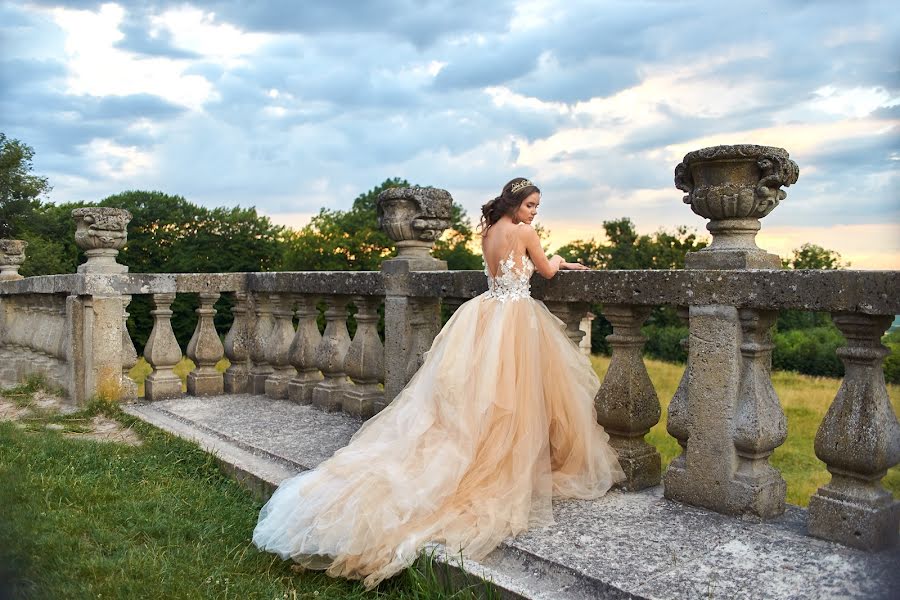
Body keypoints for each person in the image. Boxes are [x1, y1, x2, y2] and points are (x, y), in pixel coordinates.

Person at [253, 177, 624, 588]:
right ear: (515, 203)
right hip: (516, 320)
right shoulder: (523, 232)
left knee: (479, 398)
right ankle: (505, 461)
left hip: (484, 316)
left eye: (537, 206)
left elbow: (500, 271)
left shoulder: (489, 233)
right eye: (532, 205)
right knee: (513, 397)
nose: (535, 212)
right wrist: (559, 258)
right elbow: (548, 272)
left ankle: (492, 452)